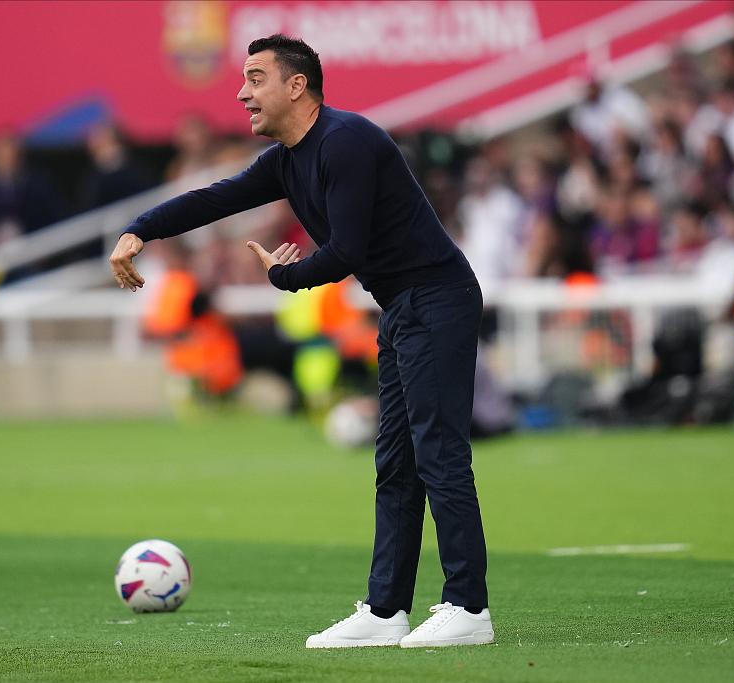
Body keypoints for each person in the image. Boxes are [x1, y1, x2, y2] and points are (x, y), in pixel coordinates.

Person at [109, 34, 493, 649]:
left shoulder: (347, 141)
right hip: (403, 307)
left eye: (256, 78)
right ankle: (387, 610)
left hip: (438, 299)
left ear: (297, 87)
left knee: (438, 453)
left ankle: (468, 608)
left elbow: (347, 252)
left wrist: (285, 275)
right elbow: (215, 199)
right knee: (394, 462)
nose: (242, 92)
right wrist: (139, 231)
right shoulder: (289, 159)